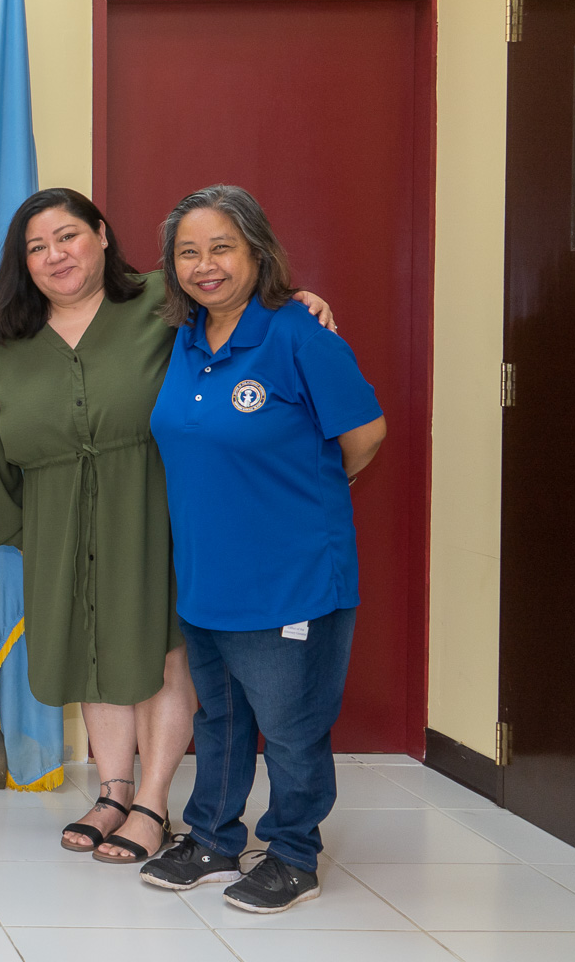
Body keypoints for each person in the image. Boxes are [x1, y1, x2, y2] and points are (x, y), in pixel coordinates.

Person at [0, 188, 335, 864]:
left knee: (161, 650)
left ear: (103, 237)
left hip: (154, 503)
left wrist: (300, 302)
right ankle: (112, 791)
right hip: (56, 513)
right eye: (37, 247)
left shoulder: (162, 304)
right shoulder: (6, 335)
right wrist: (19, 526)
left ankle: (153, 801)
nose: (56, 255)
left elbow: (239, 311)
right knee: (92, 651)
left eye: (69, 237)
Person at [138, 184, 385, 914]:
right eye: (188, 252)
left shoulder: (299, 333)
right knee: (220, 718)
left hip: (292, 575)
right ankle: (213, 836)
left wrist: (295, 497)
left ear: (257, 251)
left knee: (292, 725)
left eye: (222, 248)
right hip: (209, 577)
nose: (205, 265)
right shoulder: (185, 338)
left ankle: (293, 853)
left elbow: (365, 436)